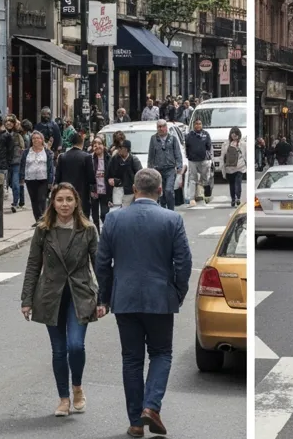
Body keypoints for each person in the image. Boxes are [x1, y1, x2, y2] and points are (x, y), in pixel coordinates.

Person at [95, 169, 193, 437]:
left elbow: (102, 263)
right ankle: (151, 406)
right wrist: (177, 292)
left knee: (132, 359)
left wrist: (105, 295)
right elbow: (184, 263)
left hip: (124, 298)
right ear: (160, 190)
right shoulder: (172, 219)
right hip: (160, 297)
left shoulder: (113, 219)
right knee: (161, 353)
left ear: (135, 190)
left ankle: (136, 422)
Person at [21, 183, 104, 417]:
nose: (65, 204)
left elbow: (99, 265)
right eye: (60, 200)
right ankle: (63, 399)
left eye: (69, 199)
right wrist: (26, 299)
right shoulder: (43, 230)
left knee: (76, 346)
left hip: (81, 294)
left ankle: (77, 387)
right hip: (50, 295)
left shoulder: (88, 229)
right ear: (53, 203)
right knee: (58, 351)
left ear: (76, 202)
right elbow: (33, 265)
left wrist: (103, 300)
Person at [54, 132, 97, 218]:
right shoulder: (86, 157)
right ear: (82, 141)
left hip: (66, 193)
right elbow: (91, 178)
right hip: (82, 195)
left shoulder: (62, 157)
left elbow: (57, 178)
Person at [146, 119, 183, 211]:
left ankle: (171, 210)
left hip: (170, 169)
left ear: (166, 127)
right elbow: (151, 155)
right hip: (158, 169)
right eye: (159, 127)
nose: (161, 129)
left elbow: (177, 153)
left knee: (168, 190)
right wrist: (149, 168)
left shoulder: (172, 139)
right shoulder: (153, 139)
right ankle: (162, 209)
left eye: (163, 126)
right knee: (160, 192)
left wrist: (179, 166)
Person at [22, 131, 55, 222]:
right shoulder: (26, 152)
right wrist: (22, 177)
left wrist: (50, 181)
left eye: (38, 138)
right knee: (34, 200)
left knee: (42, 199)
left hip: (43, 179)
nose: (35, 140)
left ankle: (44, 219)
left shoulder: (47, 152)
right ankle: (38, 220)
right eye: (34, 138)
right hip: (30, 179)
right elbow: (23, 165)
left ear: (42, 140)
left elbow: (50, 168)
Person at [184, 118, 213, 207]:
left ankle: (206, 196)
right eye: (196, 124)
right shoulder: (189, 135)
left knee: (205, 178)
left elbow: (208, 146)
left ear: (202, 125)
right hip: (192, 160)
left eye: (199, 124)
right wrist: (189, 156)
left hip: (203, 160)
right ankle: (192, 198)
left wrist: (208, 157)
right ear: (193, 125)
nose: (198, 125)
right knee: (193, 179)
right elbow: (187, 147)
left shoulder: (205, 134)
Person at [107, 140, 142, 208]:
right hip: (117, 190)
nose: (118, 149)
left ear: (126, 149)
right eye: (118, 147)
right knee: (117, 209)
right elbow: (108, 174)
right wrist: (110, 179)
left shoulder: (134, 160)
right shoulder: (114, 159)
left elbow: (140, 176)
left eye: (120, 147)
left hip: (130, 191)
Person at [90, 138, 112, 231]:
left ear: (104, 146)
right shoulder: (90, 158)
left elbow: (113, 174)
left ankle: (106, 233)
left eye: (99, 143)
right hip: (94, 190)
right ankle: (96, 235)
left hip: (105, 190)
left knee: (104, 214)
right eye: (95, 144)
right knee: (95, 215)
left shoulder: (109, 158)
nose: (97, 146)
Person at [222, 127, 246, 207]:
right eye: (233, 134)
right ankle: (235, 198)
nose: (234, 136)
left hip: (237, 167)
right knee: (235, 183)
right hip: (234, 167)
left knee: (234, 183)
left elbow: (223, 157)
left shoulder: (226, 144)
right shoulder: (242, 144)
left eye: (235, 134)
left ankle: (235, 199)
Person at [6, 115, 25, 214]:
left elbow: (23, 149)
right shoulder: (3, 134)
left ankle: (15, 203)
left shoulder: (18, 136)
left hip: (16, 162)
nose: (8, 123)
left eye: (10, 121)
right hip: (5, 163)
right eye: (7, 121)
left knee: (15, 183)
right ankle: (18, 197)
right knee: (10, 183)